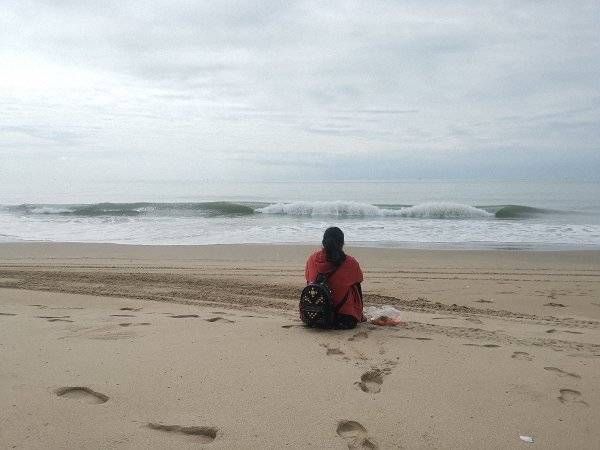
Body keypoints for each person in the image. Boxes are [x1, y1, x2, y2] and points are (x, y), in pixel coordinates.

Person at [304, 227, 364, 329]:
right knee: (355, 285)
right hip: (343, 318)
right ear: (342, 243)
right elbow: (359, 279)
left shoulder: (312, 259)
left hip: (314, 316)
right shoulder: (350, 262)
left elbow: (308, 278)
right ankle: (357, 313)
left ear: (323, 242)